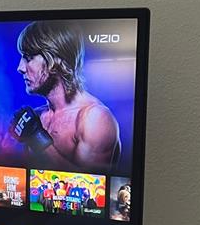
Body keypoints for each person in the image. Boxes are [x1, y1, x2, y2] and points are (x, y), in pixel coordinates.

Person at [11, 21, 120, 171]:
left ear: (56, 60)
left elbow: (89, 186)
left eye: (28, 58)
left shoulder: (94, 118)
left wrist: (37, 139)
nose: (20, 68)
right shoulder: (38, 116)